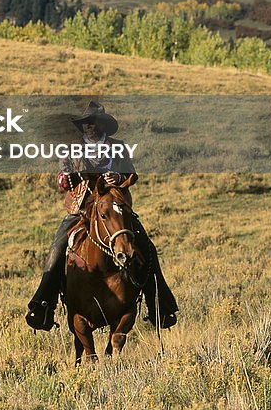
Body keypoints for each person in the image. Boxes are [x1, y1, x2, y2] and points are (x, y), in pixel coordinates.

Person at [25, 101, 178, 331]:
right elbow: (62, 181)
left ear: (101, 124)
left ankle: (159, 305)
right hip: (81, 209)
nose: (89, 127)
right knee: (57, 250)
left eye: (93, 122)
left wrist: (117, 177)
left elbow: (132, 174)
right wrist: (67, 175)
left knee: (147, 248)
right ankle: (44, 305)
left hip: (114, 208)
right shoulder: (71, 148)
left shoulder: (118, 147)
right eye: (86, 123)